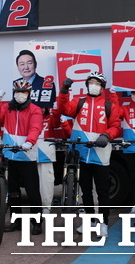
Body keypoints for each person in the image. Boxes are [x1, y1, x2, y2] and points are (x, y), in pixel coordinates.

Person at [56, 72, 122, 238]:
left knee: (102, 191)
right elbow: (64, 109)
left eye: (97, 82)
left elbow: (116, 126)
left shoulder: (109, 105)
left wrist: (106, 136)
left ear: (102, 87)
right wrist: (64, 90)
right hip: (82, 153)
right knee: (85, 191)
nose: (93, 85)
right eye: (91, 82)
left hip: (101, 154)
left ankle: (104, 223)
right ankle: (91, 220)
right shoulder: (79, 102)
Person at [0, 80, 43, 234]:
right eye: (18, 91)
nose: (20, 95)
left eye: (24, 92)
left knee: (32, 191)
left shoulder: (35, 110)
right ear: (14, 92)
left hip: (27, 155)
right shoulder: (7, 107)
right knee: (13, 191)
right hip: (10, 155)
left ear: (29, 94)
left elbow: (36, 127)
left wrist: (29, 141)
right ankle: (16, 221)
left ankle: (37, 222)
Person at [108, 88, 135, 213]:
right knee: (134, 178)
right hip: (131, 149)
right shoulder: (125, 108)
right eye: (133, 93)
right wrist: (113, 95)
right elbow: (114, 111)